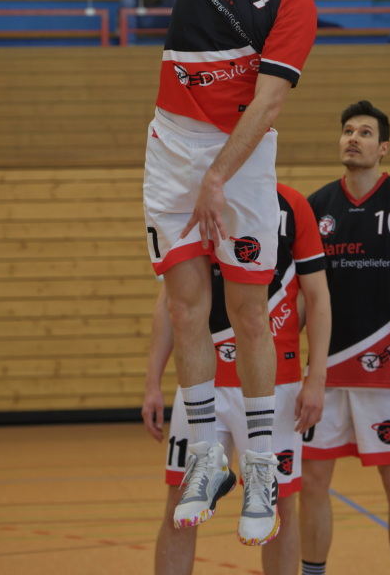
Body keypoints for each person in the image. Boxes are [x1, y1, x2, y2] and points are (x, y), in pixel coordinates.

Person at [142, 0, 329, 547]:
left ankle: (258, 466)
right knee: (186, 305)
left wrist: (220, 177)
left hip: (240, 159)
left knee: (248, 313)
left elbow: (268, 105)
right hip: (170, 143)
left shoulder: (295, 5)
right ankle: (206, 457)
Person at [142, 182, 331, 575]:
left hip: (273, 386)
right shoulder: (191, 201)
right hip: (201, 386)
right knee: (180, 505)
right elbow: (170, 302)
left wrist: (316, 377)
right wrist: (152, 382)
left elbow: (318, 296)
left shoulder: (291, 204)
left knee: (279, 506)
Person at [301, 100, 390, 575]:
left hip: (388, 370)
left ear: (383, 148)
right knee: (313, 481)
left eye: (365, 133)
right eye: (348, 130)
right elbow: (303, 294)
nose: (353, 138)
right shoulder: (316, 207)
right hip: (325, 373)